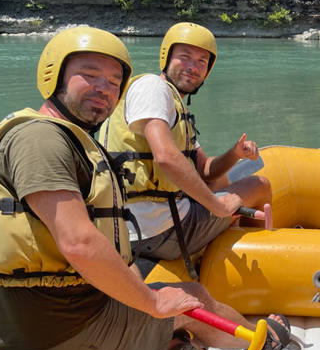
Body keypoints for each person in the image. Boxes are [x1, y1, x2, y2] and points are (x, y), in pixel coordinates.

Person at [0, 27, 291, 350]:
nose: (104, 88)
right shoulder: (41, 140)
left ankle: (173, 347)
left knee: (160, 291)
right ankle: (262, 341)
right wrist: (153, 302)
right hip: (63, 333)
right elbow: (79, 242)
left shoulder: (67, 139)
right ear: (53, 75)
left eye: (113, 81)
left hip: (48, 322)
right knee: (190, 297)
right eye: (89, 76)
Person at [100, 22, 271, 280]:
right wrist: (218, 206)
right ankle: (261, 269)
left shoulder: (174, 106)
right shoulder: (152, 88)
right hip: (155, 232)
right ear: (167, 57)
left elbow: (206, 170)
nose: (193, 67)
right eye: (185, 57)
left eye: (202, 61)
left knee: (222, 181)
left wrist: (235, 154)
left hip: (140, 227)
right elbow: (166, 157)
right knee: (260, 184)